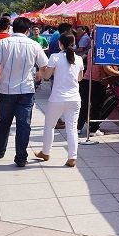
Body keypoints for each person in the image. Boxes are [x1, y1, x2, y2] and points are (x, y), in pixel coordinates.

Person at [0, 17, 48, 167]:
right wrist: (39, 74)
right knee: (24, 124)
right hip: (26, 90)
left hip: (6, 89)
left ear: (12, 28)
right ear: (28, 30)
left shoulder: (3, 43)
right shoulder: (34, 45)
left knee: (4, 121)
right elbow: (44, 65)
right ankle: (21, 157)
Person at [35, 33, 83, 167]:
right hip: (74, 98)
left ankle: (45, 152)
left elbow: (46, 76)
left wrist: (42, 71)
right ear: (74, 44)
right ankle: (72, 157)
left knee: (49, 126)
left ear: (60, 44)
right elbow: (80, 78)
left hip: (57, 98)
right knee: (72, 128)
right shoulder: (79, 59)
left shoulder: (54, 57)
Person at [77, 55, 119, 136]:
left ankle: (79, 128)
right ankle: (93, 130)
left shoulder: (91, 50)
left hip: (86, 81)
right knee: (96, 107)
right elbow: (107, 68)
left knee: (84, 106)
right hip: (98, 83)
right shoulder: (103, 51)